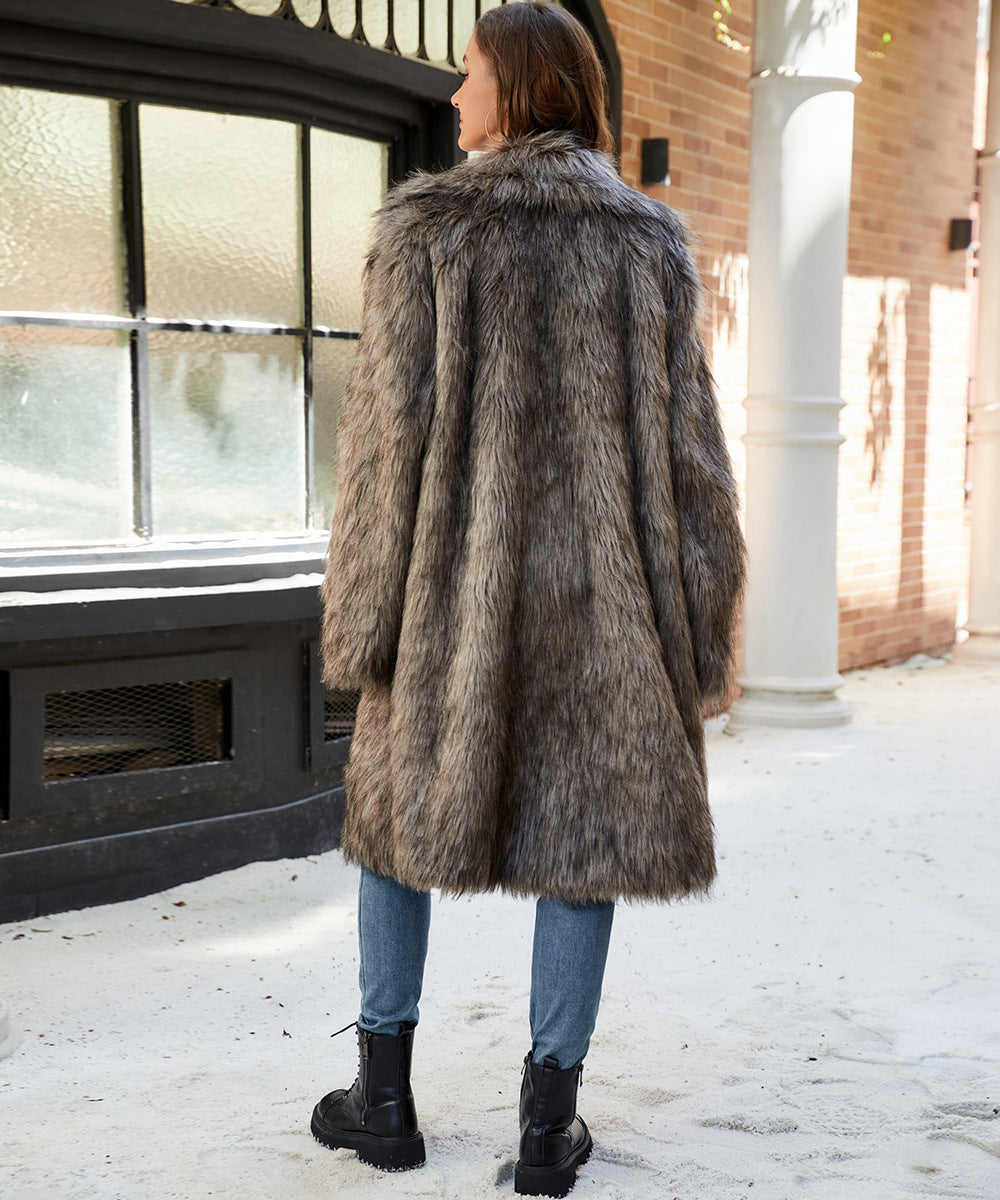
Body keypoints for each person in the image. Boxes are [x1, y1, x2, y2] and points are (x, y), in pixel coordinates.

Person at [311, 3, 745, 1195]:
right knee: (584, 850)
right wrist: (696, 635)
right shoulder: (648, 241)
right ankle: (550, 1131)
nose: (454, 96)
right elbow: (695, 463)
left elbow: (384, 448)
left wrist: (364, 617)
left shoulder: (426, 231)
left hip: (451, 599)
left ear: (524, 86)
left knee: (396, 833)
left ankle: (382, 1102)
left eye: (469, 72)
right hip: (609, 613)